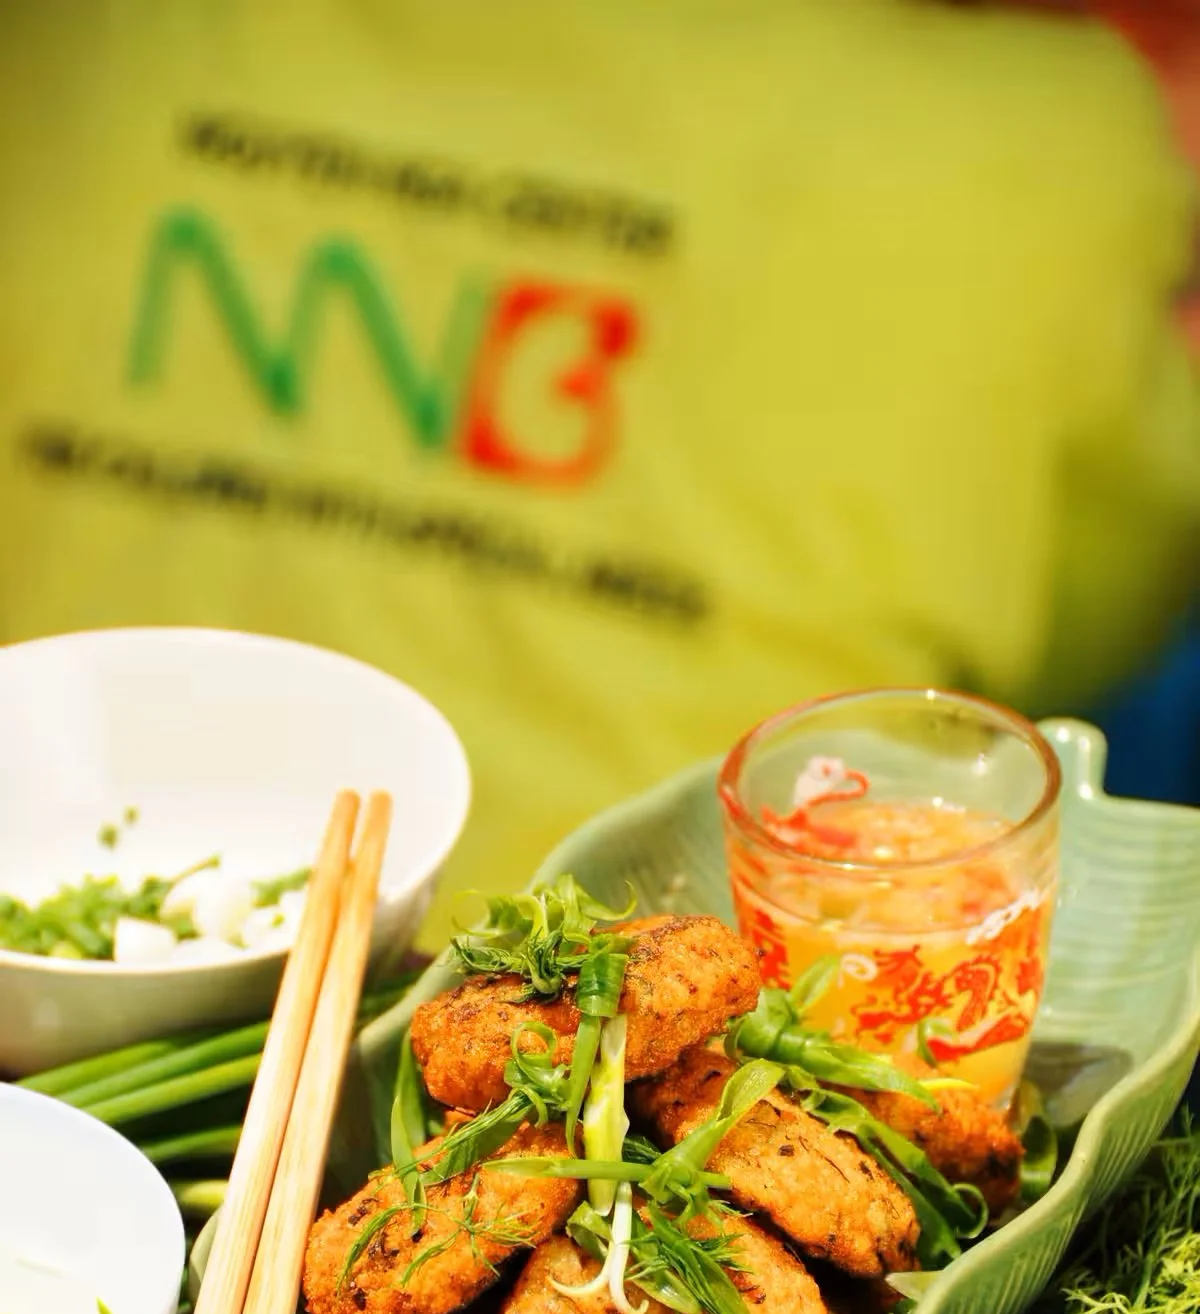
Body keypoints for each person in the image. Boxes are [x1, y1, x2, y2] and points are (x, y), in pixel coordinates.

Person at [0, 0, 1197, 935]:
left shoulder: (78, 40)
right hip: (663, 1083)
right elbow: (1096, 630)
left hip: (61, 927)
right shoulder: (1032, 133)